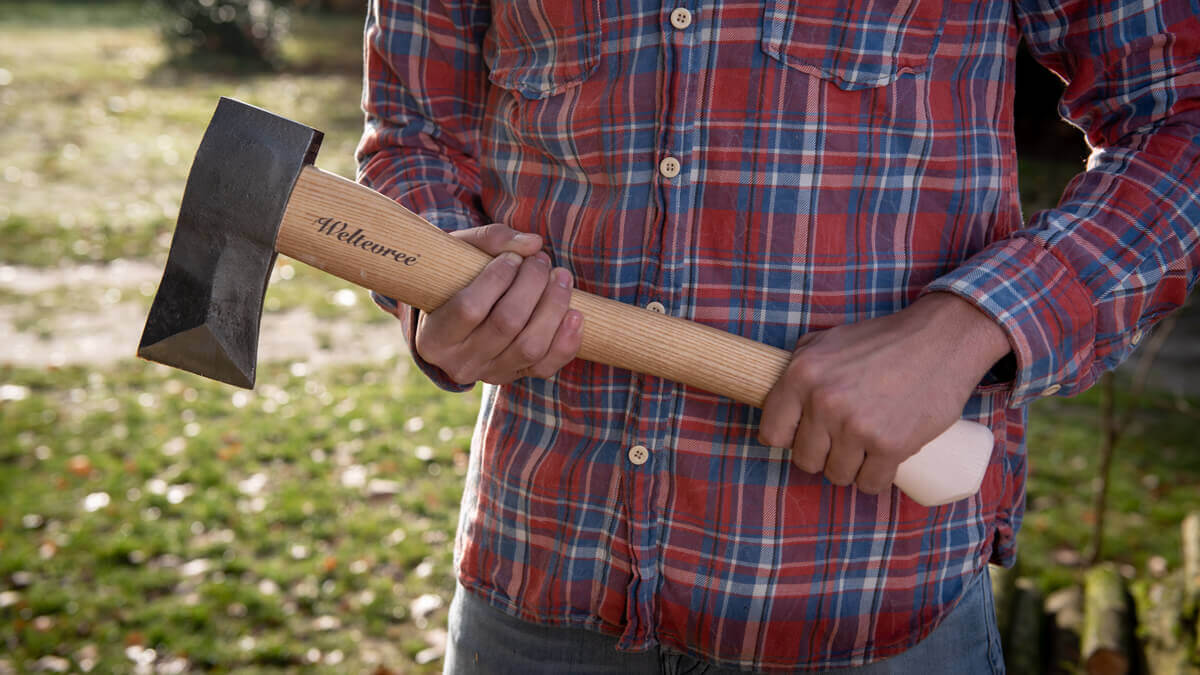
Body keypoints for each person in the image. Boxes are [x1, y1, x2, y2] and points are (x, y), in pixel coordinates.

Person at [356, 1, 1199, 671]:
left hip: (870, 598)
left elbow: (1182, 116)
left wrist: (970, 322)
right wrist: (435, 287)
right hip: (539, 574)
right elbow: (411, 138)